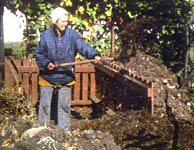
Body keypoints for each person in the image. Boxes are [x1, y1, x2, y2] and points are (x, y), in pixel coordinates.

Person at [35, 7, 101, 131]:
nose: (65, 24)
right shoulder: (45, 36)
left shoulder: (72, 35)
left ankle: (64, 132)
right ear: (55, 21)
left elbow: (83, 47)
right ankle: (41, 131)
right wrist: (47, 63)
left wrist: (94, 54)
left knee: (64, 106)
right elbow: (39, 55)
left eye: (66, 21)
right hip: (47, 76)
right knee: (44, 106)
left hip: (66, 76)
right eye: (62, 21)